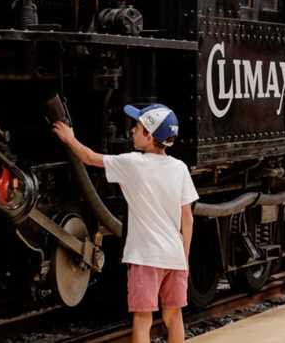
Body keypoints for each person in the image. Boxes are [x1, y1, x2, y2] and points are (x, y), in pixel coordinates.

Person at [52, 103, 198, 343]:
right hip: (175, 256)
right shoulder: (180, 168)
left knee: (143, 319)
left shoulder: (132, 163)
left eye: (137, 127)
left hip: (145, 257)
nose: (132, 131)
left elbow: (89, 158)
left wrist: (70, 138)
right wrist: (185, 259)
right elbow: (188, 218)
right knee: (174, 316)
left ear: (149, 136)